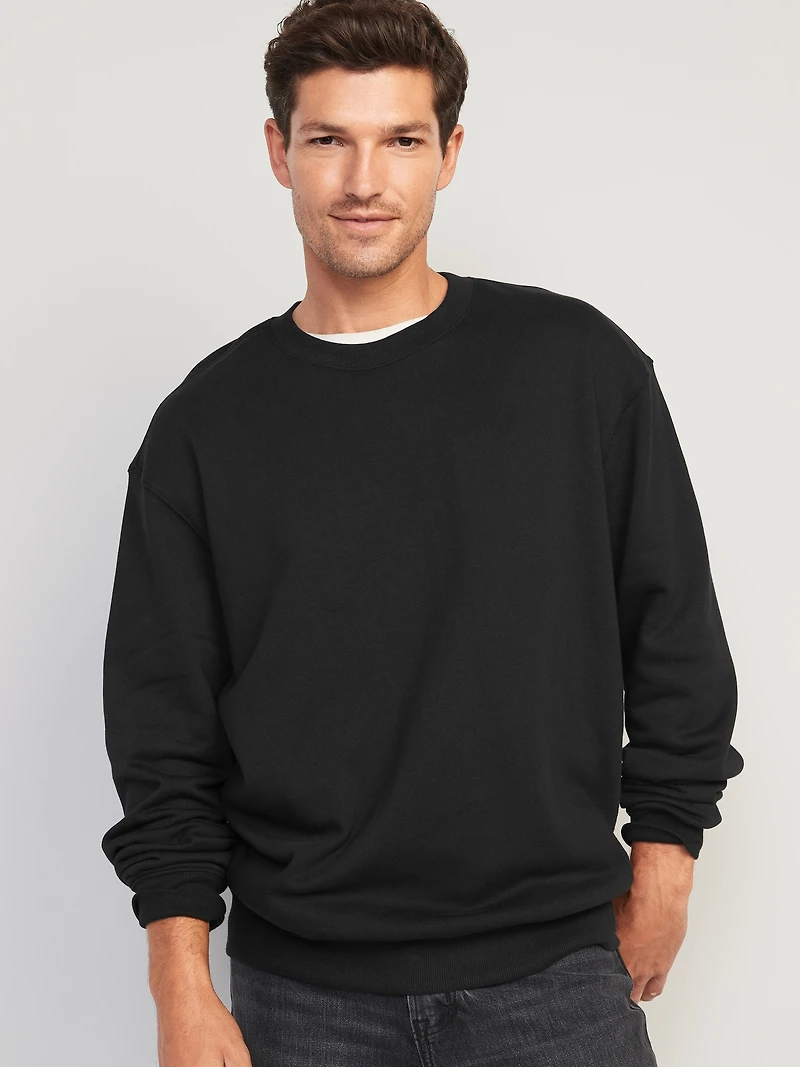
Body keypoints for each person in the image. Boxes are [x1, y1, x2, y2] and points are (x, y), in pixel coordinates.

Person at [99, 1, 745, 1064]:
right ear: (279, 152)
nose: (365, 180)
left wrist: (668, 850)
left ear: (448, 154)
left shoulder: (576, 369)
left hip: (553, 980)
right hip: (302, 998)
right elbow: (162, 729)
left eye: (401, 139)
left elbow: (670, 622)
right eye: (329, 139)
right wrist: (178, 974)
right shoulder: (203, 429)